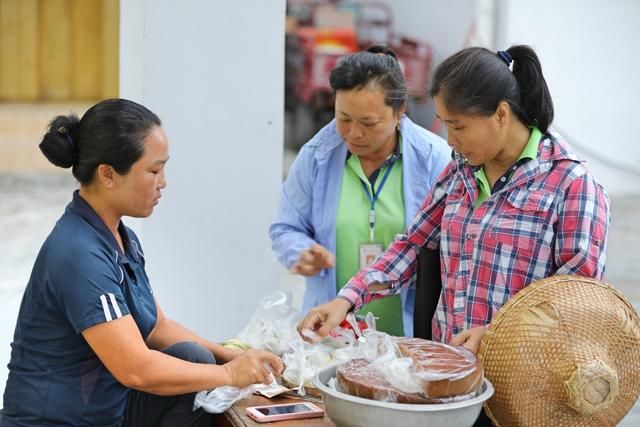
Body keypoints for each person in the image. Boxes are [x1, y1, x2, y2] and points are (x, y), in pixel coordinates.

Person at [297, 45, 610, 354]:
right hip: (449, 367)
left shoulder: (571, 184)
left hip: (521, 382)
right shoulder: (460, 171)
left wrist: (495, 335)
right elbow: (412, 245)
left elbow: (576, 299)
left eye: (458, 126)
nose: (450, 140)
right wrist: (347, 299)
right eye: (445, 124)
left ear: (501, 114)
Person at [1, 99, 283, 427]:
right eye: (153, 170)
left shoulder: (122, 237)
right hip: (57, 422)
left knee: (194, 358)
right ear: (107, 174)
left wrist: (231, 356)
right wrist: (228, 373)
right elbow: (134, 368)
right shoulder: (78, 254)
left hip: (106, 410)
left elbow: (156, 328)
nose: (163, 182)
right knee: (203, 375)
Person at [270, 45, 451, 336]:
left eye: (369, 123)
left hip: (407, 338)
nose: (353, 133)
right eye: (343, 118)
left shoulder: (435, 159)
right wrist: (301, 252)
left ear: (399, 112)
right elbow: (285, 228)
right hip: (331, 336)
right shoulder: (316, 156)